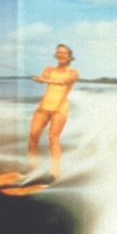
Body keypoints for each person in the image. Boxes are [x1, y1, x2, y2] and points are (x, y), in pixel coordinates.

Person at [28, 44, 79, 179]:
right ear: (56, 55)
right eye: (59, 53)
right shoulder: (49, 69)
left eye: (64, 53)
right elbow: (42, 77)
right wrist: (38, 78)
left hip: (60, 108)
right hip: (44, 106)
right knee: (33, 136)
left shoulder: (74, 72)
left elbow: (64, 81)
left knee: (53, 137)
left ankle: (55, 173)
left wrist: (47, 79)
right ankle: (33, 168)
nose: (61, 55)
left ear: (69, 57)